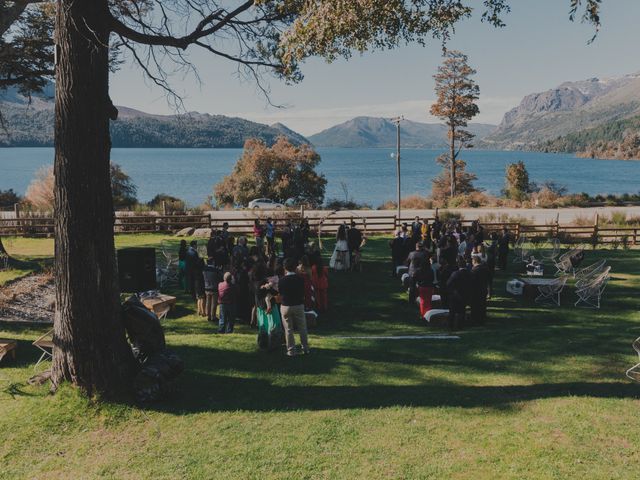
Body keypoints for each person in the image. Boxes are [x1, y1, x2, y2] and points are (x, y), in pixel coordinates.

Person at [278, 257, 309, 356]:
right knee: (302, 328)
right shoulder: (300, 279)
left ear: (285, 268)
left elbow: (281, 293)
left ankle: (291, 350)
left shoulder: (282, 280)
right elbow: (302, 292)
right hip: (298, 305)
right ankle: (305, 348)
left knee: (288, 329)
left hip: (286, 306)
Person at [446, 257, 471, 331]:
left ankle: (451, 325)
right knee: (462, 311)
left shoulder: (455, 273)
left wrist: (452, 290)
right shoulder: (469, 273)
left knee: (452, 311)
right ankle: (460, 325)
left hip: (455, 294)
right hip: (465, 294)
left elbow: (448, 283)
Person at [469, 255, 490, 326]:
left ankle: (475, 319)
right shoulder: (485, 269)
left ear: (474, 261)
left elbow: (471, 281)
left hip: (476, 290)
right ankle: (482, 318)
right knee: (482, 304)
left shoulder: (474, 270)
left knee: (475, 306)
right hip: (483, 289)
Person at [202, 257, 222, 323]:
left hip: (207, 287)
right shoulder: (215, 269)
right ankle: (213, 316)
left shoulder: (204, 269)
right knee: (214, 303)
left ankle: (208, 315)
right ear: (213, 262)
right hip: (214, 288)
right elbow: (220, 278)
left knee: (208, 302)